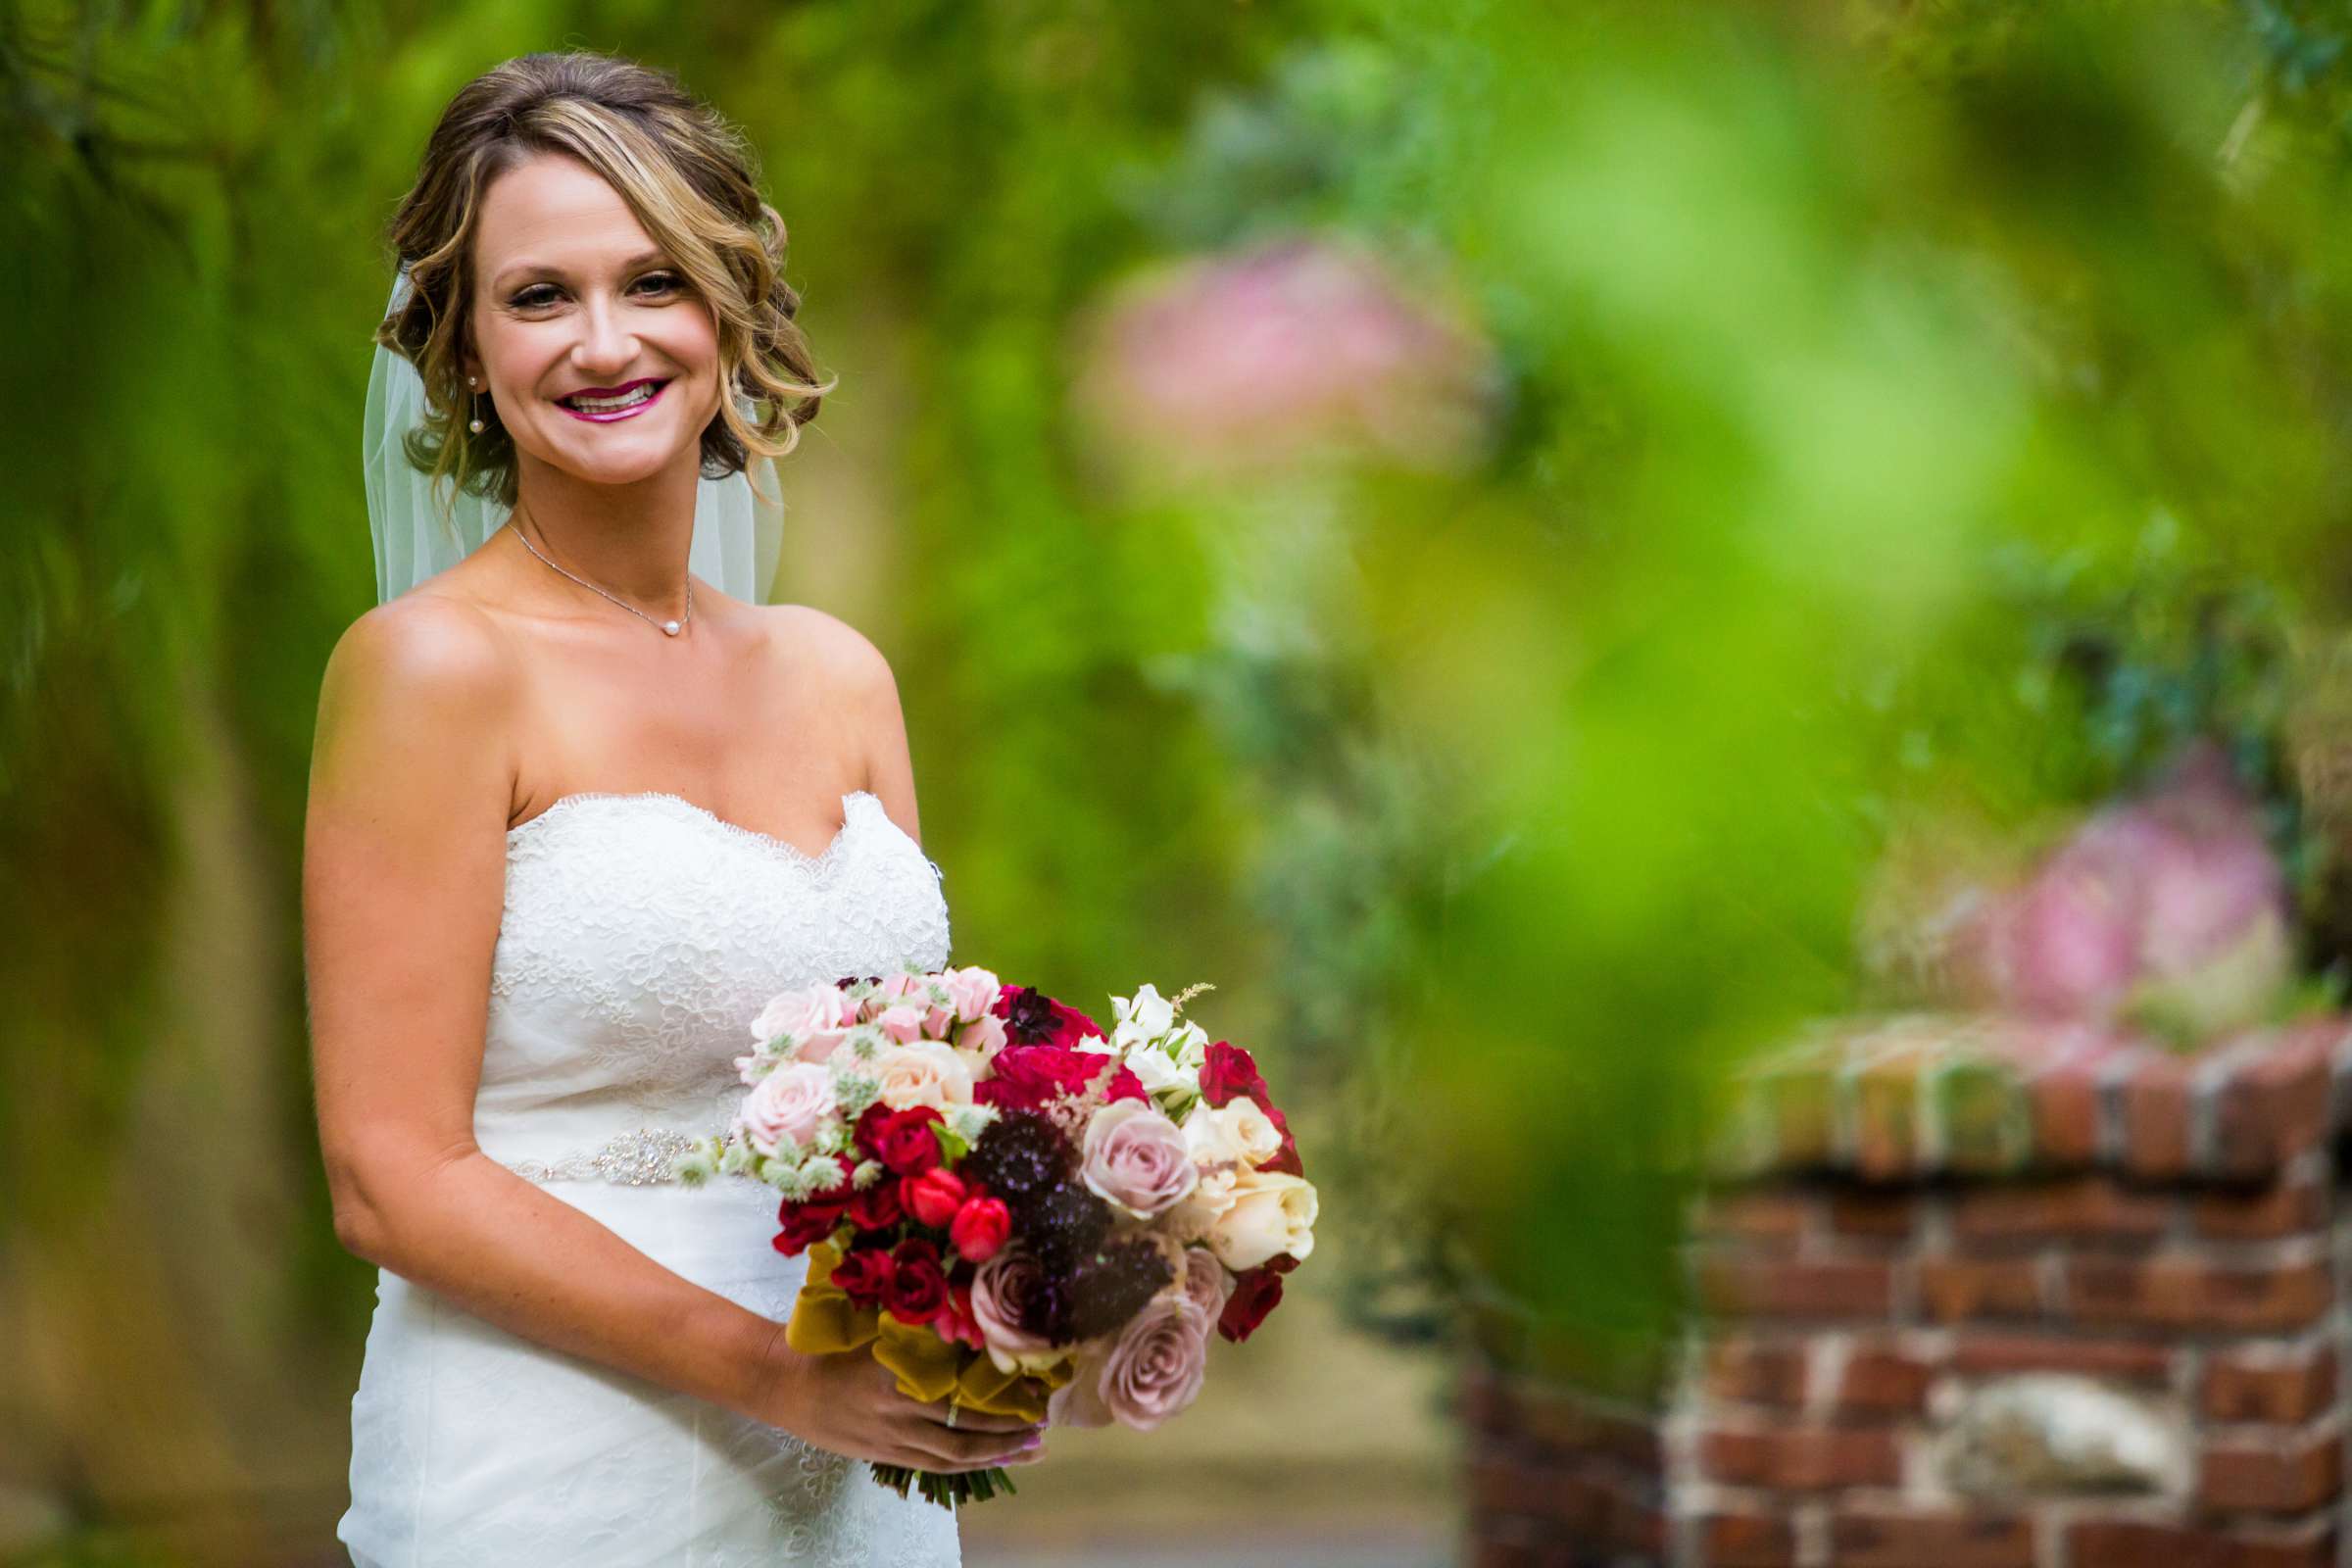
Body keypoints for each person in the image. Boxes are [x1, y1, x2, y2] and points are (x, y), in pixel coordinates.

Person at [306, 50, 1039, 1565]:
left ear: (728, 311)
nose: (602, 342)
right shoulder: (431, 670)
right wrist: (778, 1378)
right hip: (555, 1468)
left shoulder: (839, 674)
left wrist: (1058, 1260)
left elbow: (927, 1097)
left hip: (862, 1470)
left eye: (653, 281)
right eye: (537, 296)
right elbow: (393, 1177)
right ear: (460, 345)